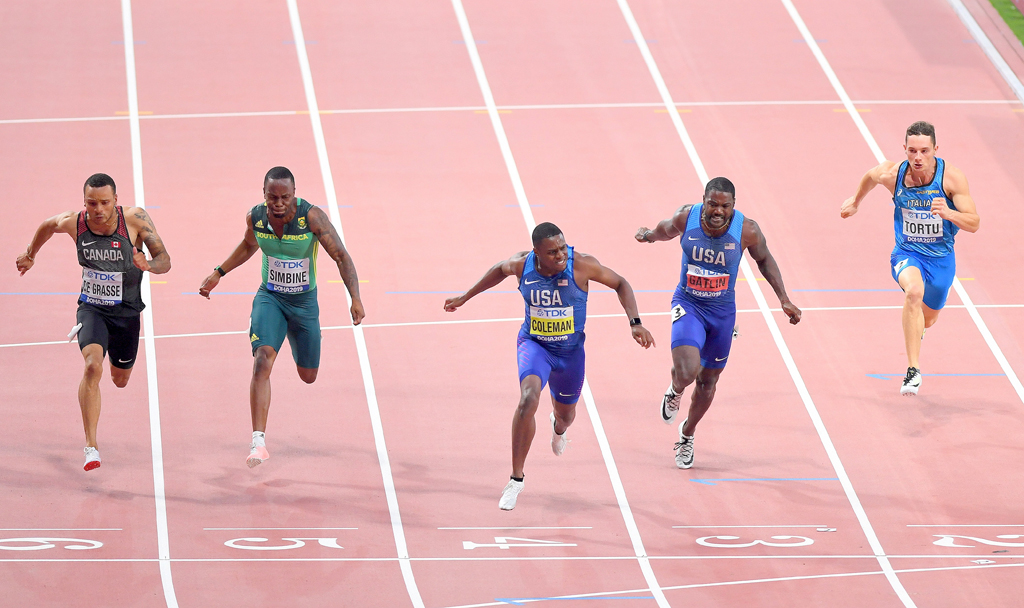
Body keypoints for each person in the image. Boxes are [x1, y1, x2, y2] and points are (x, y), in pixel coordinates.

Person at [444, 222, 655, 510]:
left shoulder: (581, 265)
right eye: (552, 252)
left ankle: (558, 430)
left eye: (562, 249)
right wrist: (465, 297)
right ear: (537, 253)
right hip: (535, 346)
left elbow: (621, 283)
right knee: (528, 398)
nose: (561, 256)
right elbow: (499, 269)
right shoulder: (522, 265)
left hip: (570, 355)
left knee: (566, 416)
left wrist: (635, 323)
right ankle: (516, 480)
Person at [199, 166, 364, 468]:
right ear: (263, 194)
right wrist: (218, 273)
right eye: (271, 197)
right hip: (270, 297)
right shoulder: (256, 217)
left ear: (294, 194)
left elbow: (341, 255)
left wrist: (355, 298)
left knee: (308, 376)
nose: (278, 203)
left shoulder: (312, 217)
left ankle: (295, 333)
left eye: (284, 197)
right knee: (262, 358)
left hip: (303, 304)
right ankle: (258, 442)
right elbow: (249, 245)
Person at [636, 177, 800, 469]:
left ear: (734, 205)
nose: (718, 211)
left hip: (723, 313)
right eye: (712, 204)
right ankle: (675, 390)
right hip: (689, 304)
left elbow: (764, 260)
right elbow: (665, 230)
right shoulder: (687, 217)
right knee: (687, 372)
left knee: (708, 381)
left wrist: (783, 298)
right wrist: (649, 235)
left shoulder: (746, 230)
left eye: (725, 206)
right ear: (704, 200)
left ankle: (687, 434)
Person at [15, 173, 171, 471]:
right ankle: (91, 447)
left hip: (127, 312)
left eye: (104, 203)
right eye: (91, 203)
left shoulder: (135, 219)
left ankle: (118, 368)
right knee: (91, 366)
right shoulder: (75, 222)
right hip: (92, 308)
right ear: (83, 202)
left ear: (116, 200)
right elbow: (48, 225)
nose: (98, 210)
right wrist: (30, 254)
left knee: (120, 380)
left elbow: (165, 260)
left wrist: (148, 265)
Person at [841, 121, 980, 396]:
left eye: (924, 151)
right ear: (904, 149)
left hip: (941, 260)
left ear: (935, 150)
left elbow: (974, 223)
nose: (918, 158)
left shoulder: (951, 178)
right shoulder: (893, 174)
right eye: (912, 151)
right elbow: (871, 176)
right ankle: (913, 370)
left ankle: (919, 329)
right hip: (907, 253)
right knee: (913, 292)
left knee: (928, 321)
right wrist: (856, 201)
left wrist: (949, 213)